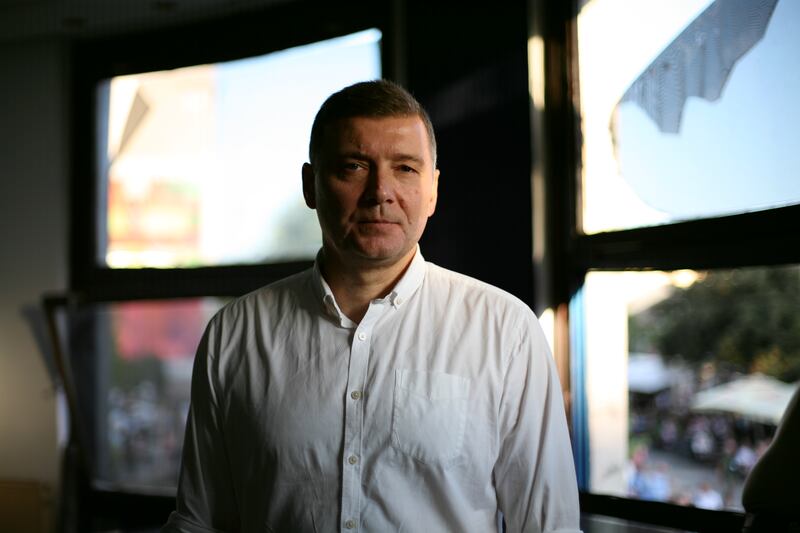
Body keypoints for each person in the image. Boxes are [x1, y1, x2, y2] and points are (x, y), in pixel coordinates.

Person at [162, 80, 581, 532]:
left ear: (433, 190)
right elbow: (199, 523)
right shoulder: (235, 334)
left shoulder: (505, 331)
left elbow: (549, 527)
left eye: (405, 168)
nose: (380, 191)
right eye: (354, 166)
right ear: (310, 185)